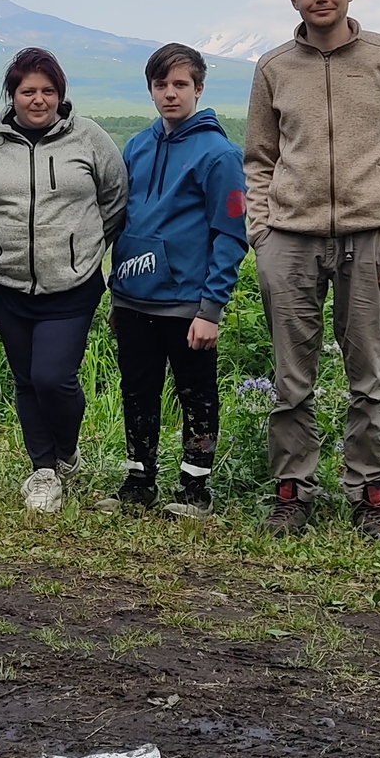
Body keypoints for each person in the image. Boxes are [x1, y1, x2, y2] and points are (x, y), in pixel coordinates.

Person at [245, 0, 380, 538]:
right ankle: (292, 491)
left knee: (370, 375)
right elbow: (258, 159)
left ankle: (369, 495)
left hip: (371, 236)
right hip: (290, 240)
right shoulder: (273, 67)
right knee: (290, 375)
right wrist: (261, 234)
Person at [100, 43, 248, 520]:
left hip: (187, 302)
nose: (170, 93)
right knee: (136, 390)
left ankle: (194, 489)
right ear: (150, 90)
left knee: (196, 394)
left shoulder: (220, 155)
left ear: (199, 90)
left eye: (180, 84)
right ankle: (139, 481)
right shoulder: (138, 146)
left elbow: (230, 234)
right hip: (133, 294)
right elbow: (121, 219)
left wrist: (212, 309)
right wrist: (115, 290)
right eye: (161, 85)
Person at [0, 48, 127, 514]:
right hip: (5, 282)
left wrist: (86, 250)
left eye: (47, 91)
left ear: (61, 95)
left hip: (72, 285)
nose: (37, 100)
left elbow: (115, 197)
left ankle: (66, 451)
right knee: (26, 380)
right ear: (12, 95)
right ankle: (43, 471)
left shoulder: (89, 138)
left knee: (53, 377)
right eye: (28, 91)